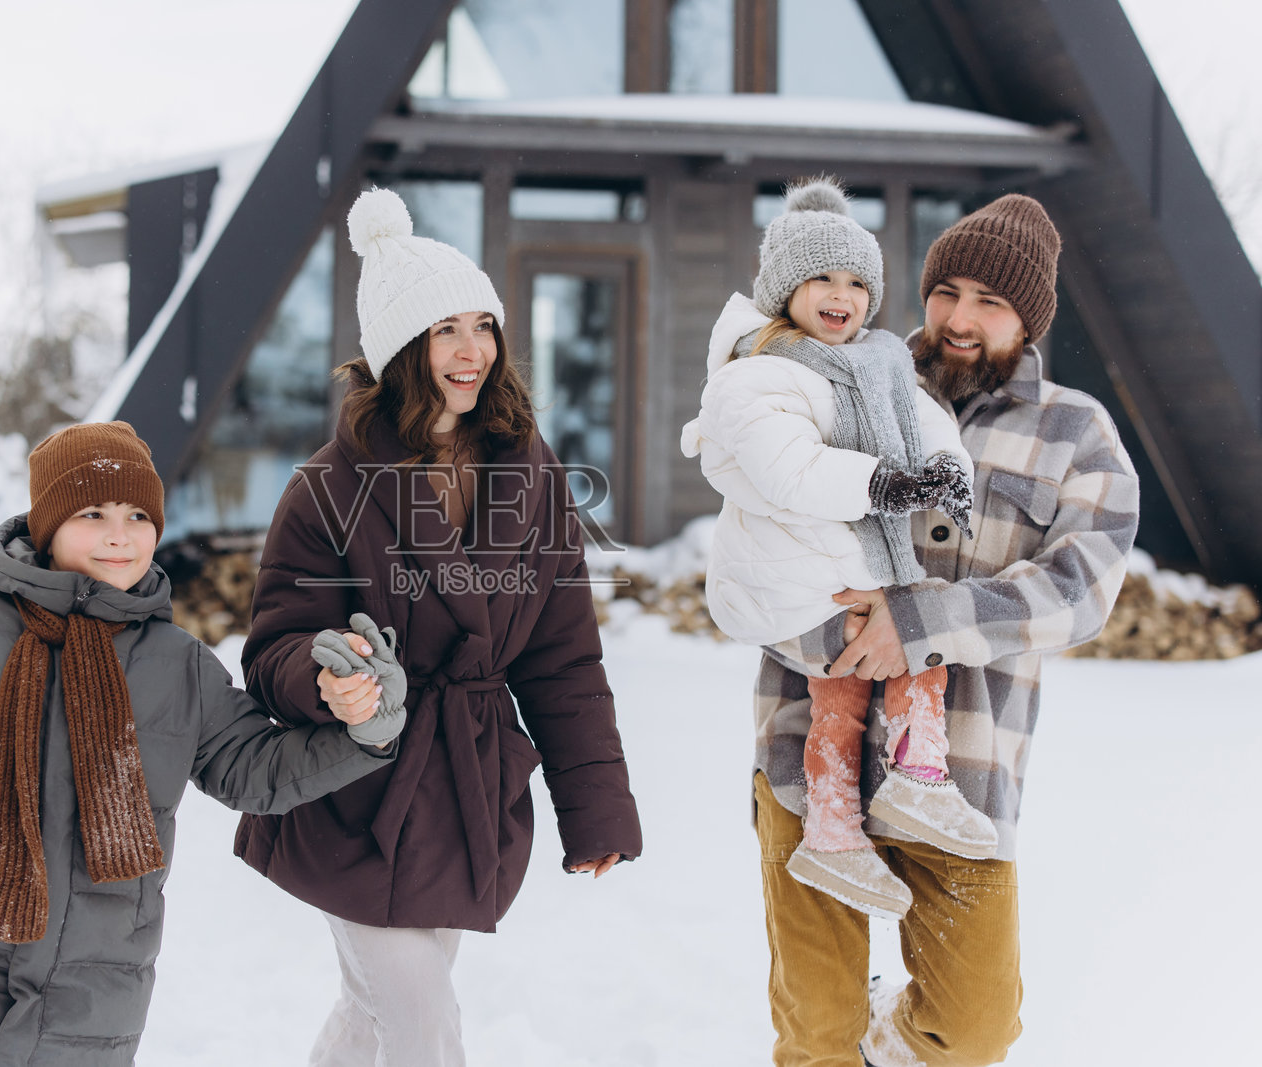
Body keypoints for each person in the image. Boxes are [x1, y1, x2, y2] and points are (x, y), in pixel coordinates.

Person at [0, 420, 403, 1067]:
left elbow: (254, 769)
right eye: (94, 513)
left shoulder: (178, 665)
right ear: (48, 525)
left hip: (94, 977)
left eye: (138, 515)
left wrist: (365, 731)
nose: (120, 534)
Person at [234, 187, 643, 1065]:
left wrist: (596, 807)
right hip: (356, 787)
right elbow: (271, 649)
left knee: (372, 1013)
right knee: (422, 1022)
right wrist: (328, 678)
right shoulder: (326, 488)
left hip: (466, 789)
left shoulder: (535, 479)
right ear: (399, 350)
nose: (472, 350)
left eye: (483, 326)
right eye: (444, 330)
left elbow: (563, 660)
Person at [753, 194, 1140, 1066]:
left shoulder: (1078, 435)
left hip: (962, 773)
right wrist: (843, 634)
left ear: (1029, 320)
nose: (960, 319)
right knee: (815, 1033)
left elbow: (1080, 591)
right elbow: (762, 544)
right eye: (946, 292)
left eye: (990, 302)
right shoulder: (837, 383)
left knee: (971, 1030)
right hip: (808, 762)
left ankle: (885, 1038)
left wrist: (920, 623)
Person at [681, 177, 998, 921]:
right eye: (822, 277)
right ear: (784, 288)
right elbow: (790, 471)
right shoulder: (758, 373)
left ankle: (832, 830)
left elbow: (924, 419)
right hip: (789, 577)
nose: (842, 295)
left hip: (841, 567)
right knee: (908, 641)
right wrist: (884, 484)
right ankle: (917, 771)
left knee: (846, 694)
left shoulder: (876, 360)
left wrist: (948, 466)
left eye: (857, 282)